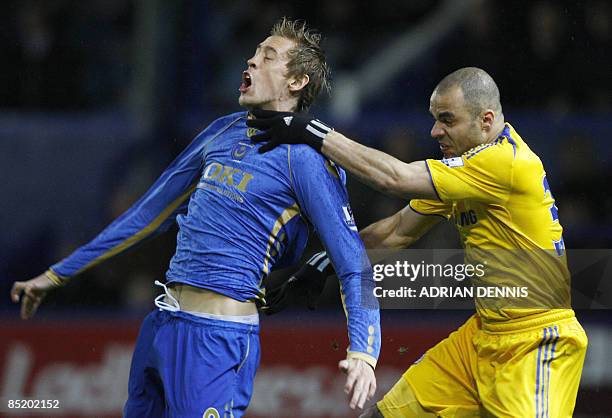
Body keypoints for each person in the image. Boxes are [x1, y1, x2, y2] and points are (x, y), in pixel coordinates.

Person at [9, 18, 380, 417]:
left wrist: (364, 350)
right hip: (162, 324)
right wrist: (59, 273)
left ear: (296, 82)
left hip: (218, 338)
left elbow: (352, 262)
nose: (251, 61)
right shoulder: (221, 132)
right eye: (253, 52)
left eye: (267, 56)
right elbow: (147, 215)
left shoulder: (304, 159)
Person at [248, 67, 588, 417]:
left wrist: (310, 130)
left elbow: (395, 178)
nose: (435, 131)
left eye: (447, 120)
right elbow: (396, 232)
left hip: (536, 341)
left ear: (485, 121)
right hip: (482, 336)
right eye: (434, 119)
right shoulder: (465, 171)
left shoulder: (505, 164)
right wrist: (323, 263)